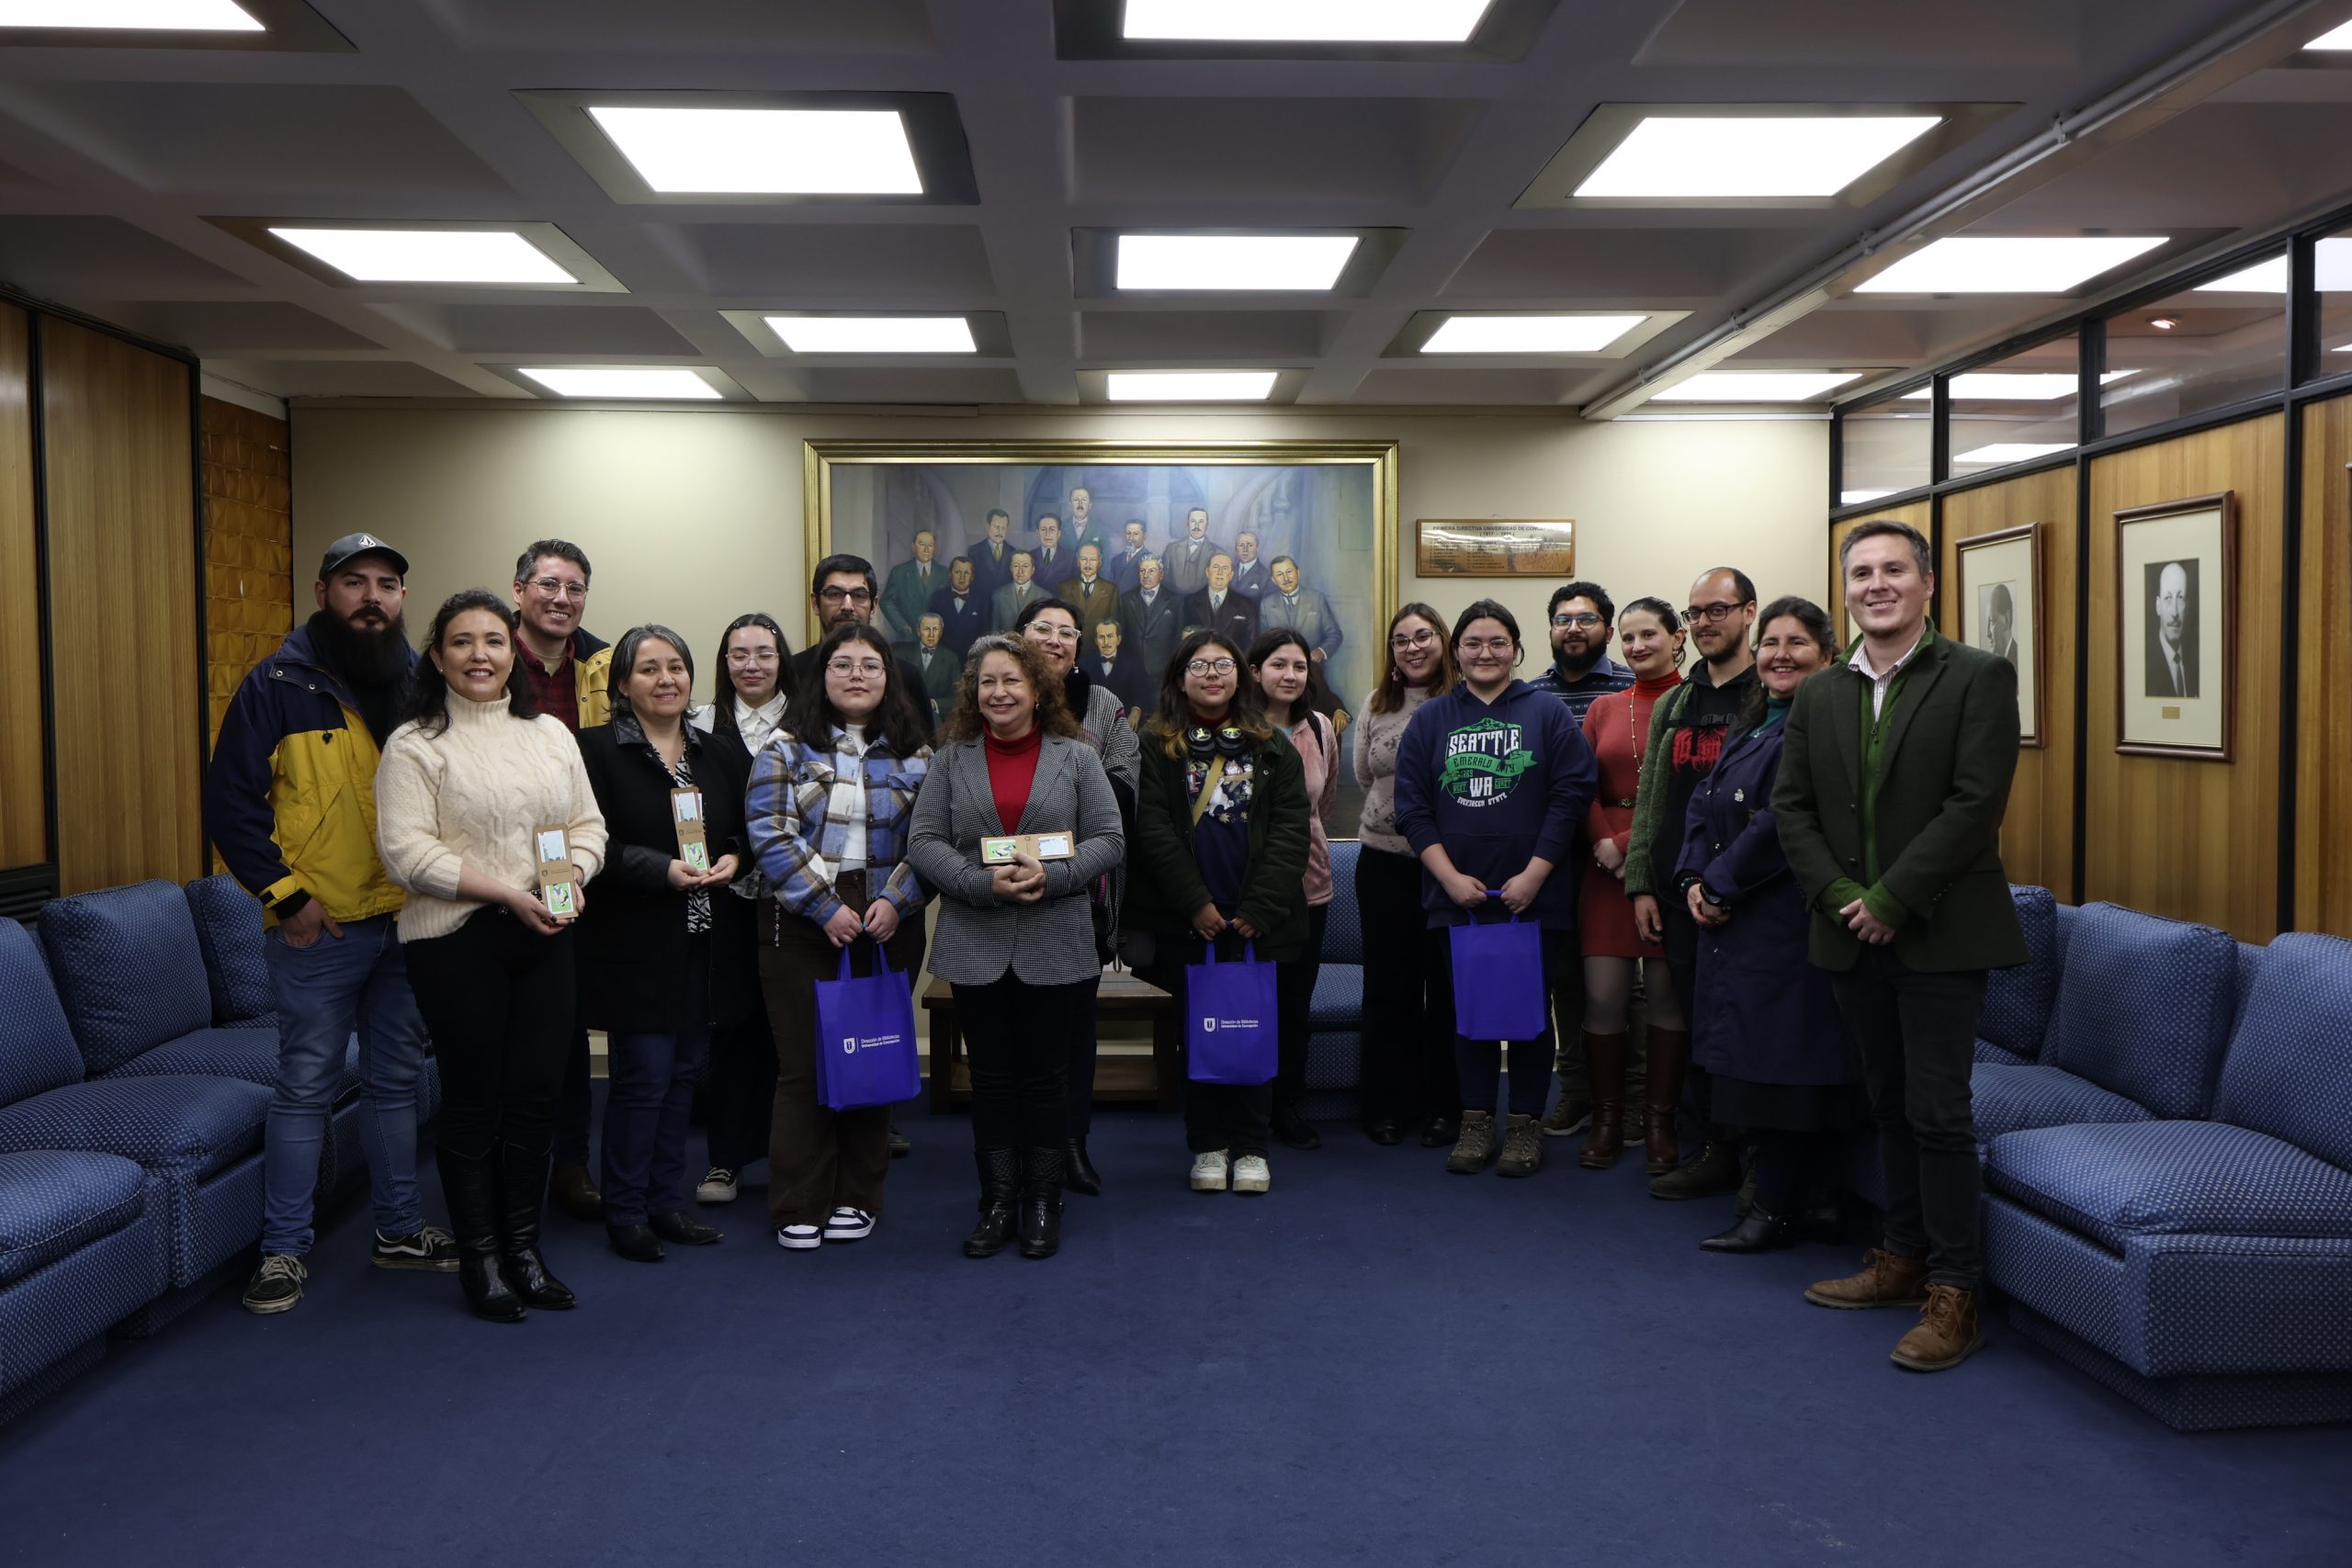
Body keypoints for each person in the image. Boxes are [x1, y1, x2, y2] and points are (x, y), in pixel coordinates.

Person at [1778, 520, 2025, 1373]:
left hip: (1943, 933)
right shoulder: (1818, 693)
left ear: (1926, 585)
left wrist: (1892, 899)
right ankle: (1901, 1256)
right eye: (1860, 573)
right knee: (1885, 1104)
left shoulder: (1979, 676)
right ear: (1845, 588)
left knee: (1938, 1113)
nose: (1875, 584)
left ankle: (1956, 1293)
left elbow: (1973, 805)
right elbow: (1794, 809)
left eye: (1892, 570)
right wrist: (1847, 898)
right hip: (1850, 931)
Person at [207, 532, 454, 1315]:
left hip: (409, 920)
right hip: (323, 928)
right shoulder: (275, 684)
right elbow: (231, 805)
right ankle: (283, 1251)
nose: (372, 597)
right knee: (306, 1085)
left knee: (394, 1084)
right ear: (323, 593)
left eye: (387, 583)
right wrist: (288, 896)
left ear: (403, 598)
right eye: (355, 582)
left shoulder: (424, 683)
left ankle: (400, 1230)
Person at [374, 590, 609, 1323]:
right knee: (475, 1101)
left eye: (494, 641)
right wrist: (507, 894)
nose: (480, 655)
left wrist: (573, 870)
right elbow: (405, 852)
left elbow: (585, 822)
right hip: (456, 939)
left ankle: (524, 1249)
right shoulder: (414, 743)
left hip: (547, 930)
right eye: (461, 642)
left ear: (515, 652)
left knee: (538, 1097)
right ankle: (480, 1257)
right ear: (437, 656)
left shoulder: (551, 735)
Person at [909, 637, 1124, 1257]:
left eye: (1011, 681)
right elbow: (924, 841)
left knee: (1047, 1080)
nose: (998, 692)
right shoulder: (952, 758)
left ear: (1038, 689)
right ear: (973, 694)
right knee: (993, 1079)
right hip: (976, 939)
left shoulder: (1077, 757)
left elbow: (1109, 839)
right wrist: (981, 883)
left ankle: (1042, 1201)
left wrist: (1051, 876)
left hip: (1056, 938)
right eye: (986, 683)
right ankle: (998, 1198)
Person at [1674, 597, 1861, 1254]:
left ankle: (1781, 1208)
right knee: (1757, 1061)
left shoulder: (1827, 722)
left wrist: (1720, 883)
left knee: (1785, 1067)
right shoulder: (1757, 720)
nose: (1781, 653)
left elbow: (1784, 821)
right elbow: (1703, 798)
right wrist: (1693, 878)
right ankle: (1792, 1200)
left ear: (1828, 655)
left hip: (1785, 918)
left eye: (1798, 643)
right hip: (1735, 918)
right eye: (1771, 642)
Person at [746, 624, 935, 1251]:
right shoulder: (784, 747)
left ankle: (858, 1195)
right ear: (820, 676)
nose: (856, 675)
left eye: (871, 665)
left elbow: (931, 841)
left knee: (872, 1057)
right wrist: (825, 906)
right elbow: (770, 833)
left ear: (889, 678)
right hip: (801, 919)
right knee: (805, 1067)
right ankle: (799, 1200)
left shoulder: (919, 754)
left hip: (886, 917)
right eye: (843, 664)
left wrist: (896, 899)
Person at [1395, 600, 1597, 1180]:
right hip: (1456, 899)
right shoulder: (1431, 719)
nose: (1486, 653)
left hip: (1534, 897)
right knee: (1468, 1012)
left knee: (1530, 1015)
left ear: (1517, 649)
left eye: (1498, 642)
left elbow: (1571, 794)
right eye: (1474, 643)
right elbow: (1411, 808)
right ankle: (1477, 1119)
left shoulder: (1548, 713)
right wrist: (1449, 878)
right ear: (1456, 652)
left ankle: (1527, 1123)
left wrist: (1535, 874)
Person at [576, 626, 748, 1261]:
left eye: (676, 666)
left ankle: (665, 1201)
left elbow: (748, 829)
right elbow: (589, 844)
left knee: (683, 1076)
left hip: (707, 942)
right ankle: (625, 1211)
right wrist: (661, 869)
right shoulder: (593, 750)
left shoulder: (719, 751)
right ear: (623, 684)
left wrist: (733, 857)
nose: (666, 678)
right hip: (635, 942)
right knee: (641, 1079)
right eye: (648, 668)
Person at [1127, 630, 1309, 1196]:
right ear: (1179, 676)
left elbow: (1290, 831)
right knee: (1198, 1029)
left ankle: (1253, 1145)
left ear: (1241, 675)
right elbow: (1152, 831)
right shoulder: (1156, 742)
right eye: (1199, 666)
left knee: (1256, 1029)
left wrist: (1259, 906)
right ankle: (1208, 1142)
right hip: (1188, 918)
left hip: (1261, 917)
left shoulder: (1270, 744)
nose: (1211, 674)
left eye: (1223, 665)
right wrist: (1196, 904)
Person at [1625, 566, 1759, 1198]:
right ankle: (1710, 1146)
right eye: (1696, 612)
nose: (1705, 622)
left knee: (1748, 1024)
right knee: (1698, 1020)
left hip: (1756, 895)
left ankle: (1757, 1159)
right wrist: (1643, 885)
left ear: (1748, 612)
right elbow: (1653, 795)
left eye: (1718, 610)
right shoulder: (1680, 701)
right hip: (1681, 888)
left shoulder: (1772, 691)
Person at [1014, 599, 1143, 1195]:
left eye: (1068, 632)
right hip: (1006, 893)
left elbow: (1121, 797)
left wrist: (1052, 832)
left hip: (1083, 895)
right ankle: (1017, 1147)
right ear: (1019, 637)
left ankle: (1072, 1141)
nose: (1057, 639)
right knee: (1013, 1028)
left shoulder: (1106, 707)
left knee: (1074, 1027)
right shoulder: (997, 697)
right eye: (1044, 628)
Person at [510, 539, 611, 1224]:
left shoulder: (605, 664)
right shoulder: (481, 656)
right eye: (549, 584)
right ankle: (509, 1164)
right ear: (519, 589)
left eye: (574, 588)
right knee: (506, 1027)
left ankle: (570, 1160)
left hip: (578, 864)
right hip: (494, 866)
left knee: (569, 1024)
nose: (561, 598)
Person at [1568, 597, 1686, 1169]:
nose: (1638, 647)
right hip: (1601, 866)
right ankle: (1608, 1117)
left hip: (1666, 863)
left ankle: (1658, 1121)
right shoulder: (1603, 707)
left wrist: (1627, 842)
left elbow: (1690, 793)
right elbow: (1579, 786)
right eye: (1630, 638)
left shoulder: (1696, 702)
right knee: (1603, 997)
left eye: (1650, 635)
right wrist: (1602, 840)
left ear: (1677, 637)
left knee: (1666, 997)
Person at [685, 612, 790, 1206]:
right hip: (722, 900)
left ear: (783, 660)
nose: (751, 664)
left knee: (791, 1033)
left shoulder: (806, 724)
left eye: (764, 653)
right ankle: (725, 1159)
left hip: (794, 902)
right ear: (724, 662)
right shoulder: (699, 723)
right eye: (738, 654)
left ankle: (793, 1154)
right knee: (729, 1030)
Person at [1529, 581, 1638, 1140]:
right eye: (1563, 619)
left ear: (1607, 628)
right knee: (1565, 978)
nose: (1574, 628)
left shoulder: (1631, 685)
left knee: (1633, 982)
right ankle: (1575, 1091)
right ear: (1549, 628)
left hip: (1621, 854)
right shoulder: (1528, 694)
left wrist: (1617, 842)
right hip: (1552, 857)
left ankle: (1635, 1097)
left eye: (1587, 619)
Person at [1352, 604, 1461, 1147]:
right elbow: (1363, 774)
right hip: (1384, 865)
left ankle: (1445, 1108)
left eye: (1423, 637)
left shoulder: (1465, 702)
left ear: (1443, 641)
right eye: (1400, 640)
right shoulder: (1378, 703)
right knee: (1388, 990)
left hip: (1450, 870)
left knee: (1445, 990)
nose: (1412, 647)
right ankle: (1386, 1106)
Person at [1250, 629, 1339, 1151]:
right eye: (1278, 664)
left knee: (1294, 1006)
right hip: (1249, 893)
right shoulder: (1236, 729)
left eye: (1299, 667)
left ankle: (1287, 1105)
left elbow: (1319, 809)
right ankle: (1246, 1109)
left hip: (1310, 887)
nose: (1290, 675)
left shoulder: (1322, 729)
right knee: (1249, 1002)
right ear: (1256, 670)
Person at [791, 553, 881, 688]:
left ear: (873, 606)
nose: (847, 606)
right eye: (834, 594)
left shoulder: (905, 676)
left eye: (859, 595)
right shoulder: (790, 672)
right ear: (815, 603)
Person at [1258, 556, 1342, 664]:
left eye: (1289, 572)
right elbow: (1263, 641)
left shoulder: (1316, 599)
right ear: (1274, 580)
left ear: (1298, 573)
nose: (1286, 578)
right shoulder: (1266, 604)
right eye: (1280, 574)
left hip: (1312, 667)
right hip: (1280, 668)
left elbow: (1335, 634)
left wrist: (1321, 651)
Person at [1118, 553, 1182, 682]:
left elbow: (1178, 639)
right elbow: (1122, 637)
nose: (1146, 575)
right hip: (1132, 672)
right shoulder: (1126, 599)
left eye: (1152, 571)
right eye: (1142, 570)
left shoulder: (1176, 601)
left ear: (1161, 574)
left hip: (1164, 672)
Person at [880, 528, 944, 642]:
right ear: (913, 547)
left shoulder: (944, 573)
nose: (926, 549)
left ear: (935, 548)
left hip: (937, 639)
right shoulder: (899, 572)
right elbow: (886, 601)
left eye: (930, 545)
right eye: (922, 544)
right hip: (907, 638)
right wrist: (902, 626)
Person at [899, 613, 960, 729]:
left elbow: (957, 696)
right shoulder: (900, 653)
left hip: (935, 722)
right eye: (927, 629)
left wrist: (935, 704)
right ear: (918, 632)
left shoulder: (951, 658)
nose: (931, 634)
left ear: (941, 633)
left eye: (935, 629)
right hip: (904, 719)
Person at [1182, 551, 1258, 647]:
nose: (1220, 573)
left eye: (1225, 568)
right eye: (1216, 567)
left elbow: (1251, 644)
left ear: (1230, 575)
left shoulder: (1246, 605)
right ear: (1207, 572)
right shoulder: (1189, 602)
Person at [2149, 560, 2197, 697]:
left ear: (2187, 606)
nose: (2174, 612)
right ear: (2158, 606)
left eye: (2180, 598)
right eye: (2168, 598)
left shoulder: (2197, 665)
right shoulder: (2145, 667)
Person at [1082, 618, 1150, 713]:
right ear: (1096, 641)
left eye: (1110, 636)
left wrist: (1136, 711)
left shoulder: (1132, 664)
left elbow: (1140, 695)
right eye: (1101, 637)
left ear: (1118, 640)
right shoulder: (1084, 663)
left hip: (1122, 719)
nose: (1106, 642)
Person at [929, 556, 988, 661]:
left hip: (972, 659)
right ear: (950, 574)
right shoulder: (938, 598)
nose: (962, 577)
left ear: (973, 577)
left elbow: (985, 632)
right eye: (958, 572)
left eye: (966, 573)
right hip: (944, 659)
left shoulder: (982, 600)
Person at [1166, 507, 1227, 597]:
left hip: (1203, 605)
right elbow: (1164, 580)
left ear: (1207, 525)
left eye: (1201, 522)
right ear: (1187, 524)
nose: (1197, 526)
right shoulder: (1172, 549)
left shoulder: (1218, 553)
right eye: (1193, 521)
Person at [1066, 543, 1121, 636]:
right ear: (1078, 562)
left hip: (1097, 646)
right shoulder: (1064, 588)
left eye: (1093, 560)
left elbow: (1113, 624)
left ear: (1100, 562)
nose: (1088, 564)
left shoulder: (1111, 590)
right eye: (1084, 559)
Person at [989, 549, 1046, 633]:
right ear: (1011, 569)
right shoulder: (998, 595)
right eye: (1016, 566)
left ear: (1033, 569)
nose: (1020, 571)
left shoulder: (1045, 597)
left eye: (1025, 566)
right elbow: (994, 630)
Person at [967, 508, 1016, 599]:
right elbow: (970, 581)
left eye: (1003, 528)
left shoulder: (1013, 552)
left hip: (1005, 604)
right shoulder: (974, 551)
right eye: (997, 527)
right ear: (987, 527)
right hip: (981, 603)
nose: (1000, 532)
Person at [1066, 485, 1111, 563]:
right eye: (1076, 500)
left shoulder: (1101, 529)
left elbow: (1106, 561)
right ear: (1070, 504)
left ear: (1090, 505)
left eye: (1084, 500)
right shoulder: (1059, 528)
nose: (1080, 504)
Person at [1029, 514, 1075, 591]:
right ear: (1038, 533)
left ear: (1059, 534)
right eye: (1043, 529)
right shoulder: (1030, 556)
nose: (1047, 534)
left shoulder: (1071, 558)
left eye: (1052, 529)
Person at [1980, 582, 2018, 666]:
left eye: (1992, 621)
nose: (1987, 634)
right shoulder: (1991, 665)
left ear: (2007, 619)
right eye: (1987, 623)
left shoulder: (2021, 661)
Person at [1107, 520, 1151, 592]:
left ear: (1144, 536)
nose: (1131, 537)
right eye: (1128, 533)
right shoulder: (1116, 560)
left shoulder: (1150, 560)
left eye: (1136, 534)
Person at [1228, 531, 1271, 601]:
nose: (1245, 550)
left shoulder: (1266, 575)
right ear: (1236, 548)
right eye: (1241, 545)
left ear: (1257, 548)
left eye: (1250, 545)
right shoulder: (1229, 570)